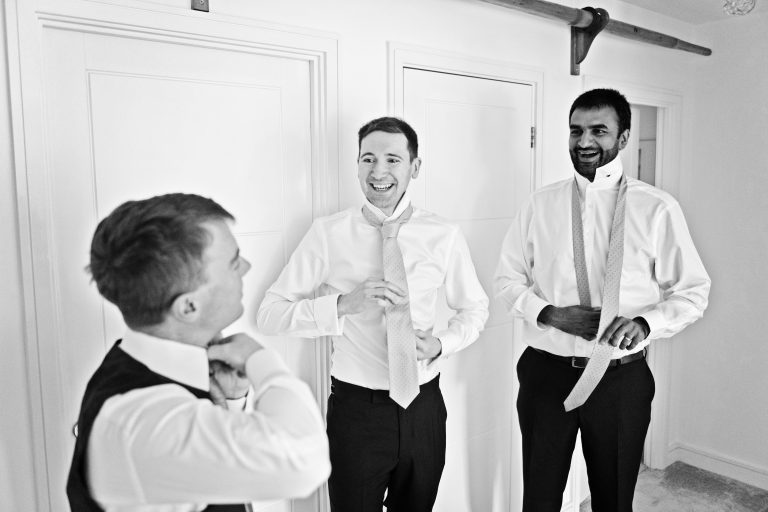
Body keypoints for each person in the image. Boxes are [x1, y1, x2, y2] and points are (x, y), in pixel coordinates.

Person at [257, 117, 489, 512]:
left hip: (423, 407)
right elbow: (270, 314)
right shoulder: (327, 234)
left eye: (392, 160)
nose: (378, 172)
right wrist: (343, 305)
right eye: (368, 159)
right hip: (356, 414)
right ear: (357, 165)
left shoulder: (443, 234)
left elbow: (475, 308)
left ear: (414, 167)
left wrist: (440, 343)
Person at [494, 89, 710, 512]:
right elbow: (506, 279)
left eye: (599, 130)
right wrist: (550, 314)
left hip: (620, 380)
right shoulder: (540, 205)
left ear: (624, 138)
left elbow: (693, 292)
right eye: (576, 130)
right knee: (538, 498)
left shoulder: (658, 209)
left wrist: (647, 324)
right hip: (546, 377)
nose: (584, 141)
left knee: (613, 499)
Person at [66, 193, 330, 512]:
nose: (246, 267)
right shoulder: (141, 422)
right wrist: (260, 359)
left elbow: (208, 474)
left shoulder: (150, 374)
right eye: (234, 263)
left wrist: (230, 406)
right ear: (189, 306)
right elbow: (304, 460)